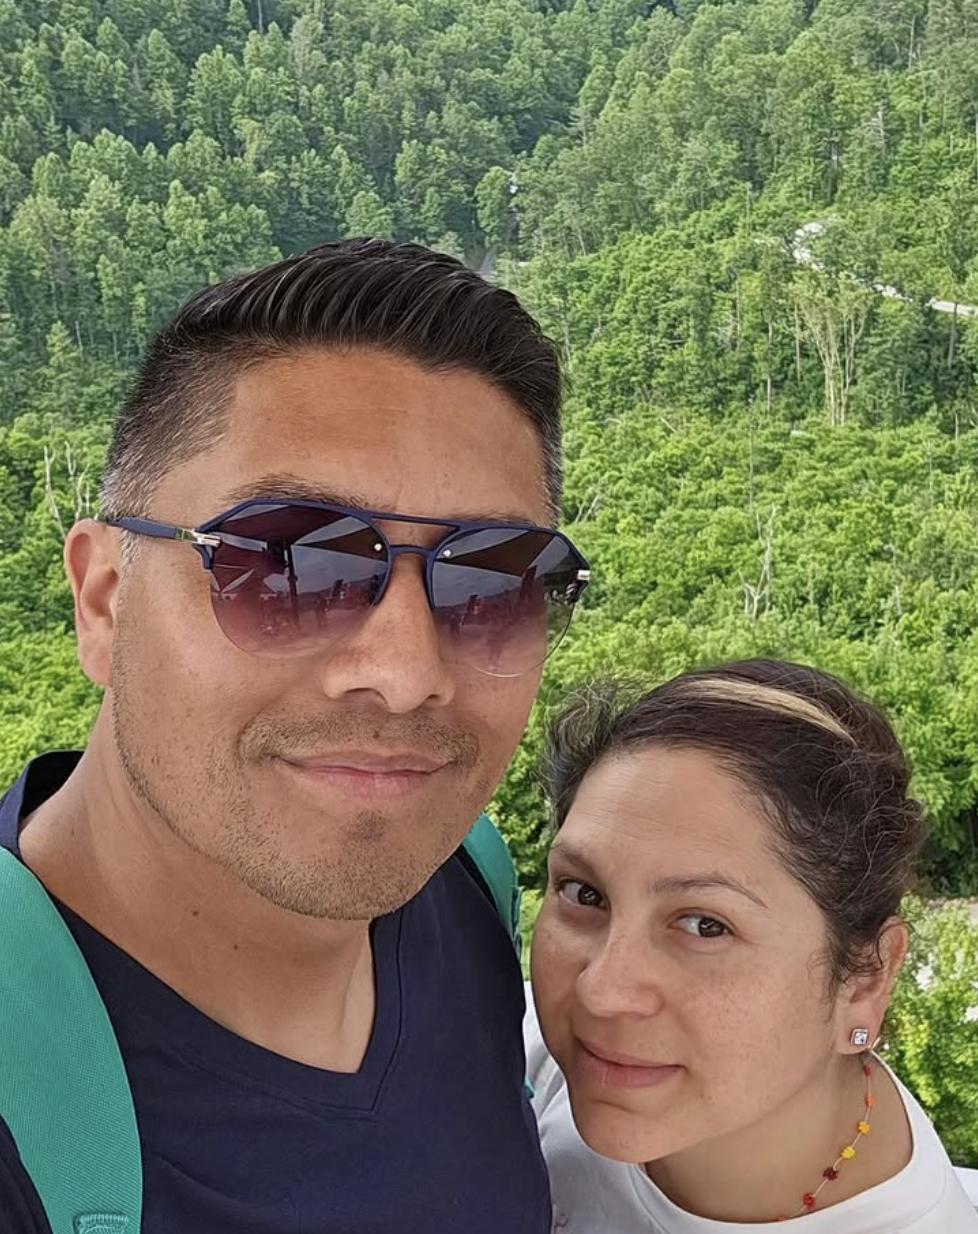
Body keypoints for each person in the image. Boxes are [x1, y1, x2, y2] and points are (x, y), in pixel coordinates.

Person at [0, 239, 592, 1232]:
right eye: (286, 564)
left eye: (491, 581)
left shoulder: (466, 885)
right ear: (104, 601)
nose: (406, 674)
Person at [526, 660, 978, 1232]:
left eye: (705, 926)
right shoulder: (513, 1049)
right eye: (584, 892)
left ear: (865, 978)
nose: (603, 992)